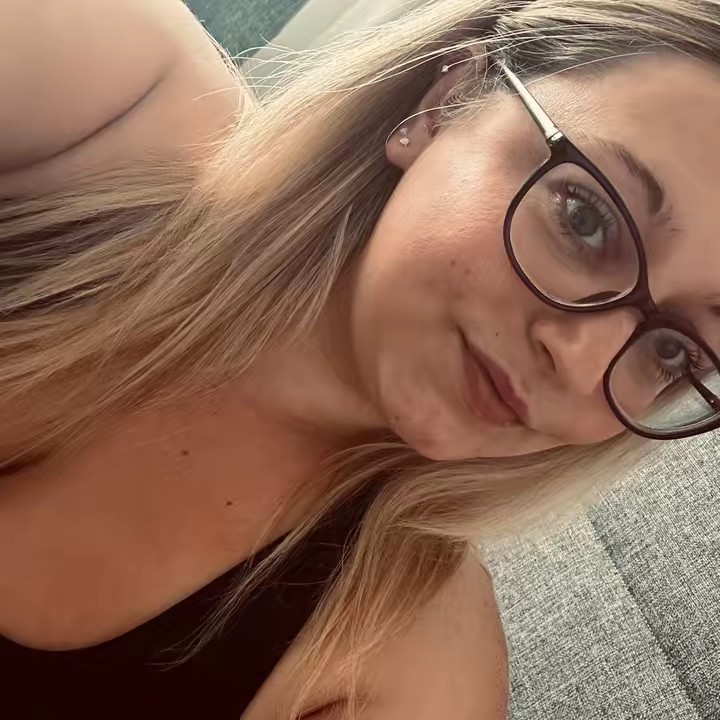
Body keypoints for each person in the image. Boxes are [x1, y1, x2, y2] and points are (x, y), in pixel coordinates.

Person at [2, 0, 720, 717]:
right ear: (445, 103)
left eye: (671, 350)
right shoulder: (114, 90)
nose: (583, 362)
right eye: (584, 219)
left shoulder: (406, 672)